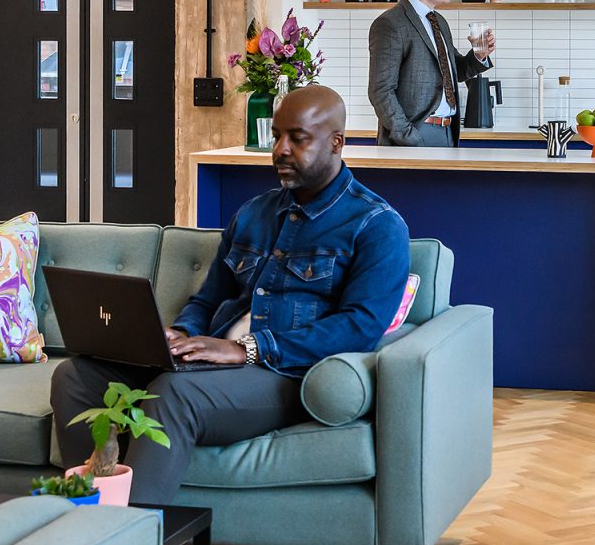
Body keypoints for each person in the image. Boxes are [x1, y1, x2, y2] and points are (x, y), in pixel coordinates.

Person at [49, 85, 410, 503]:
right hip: (212, 361)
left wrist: (251, 348)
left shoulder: (377, 226)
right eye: (276, 136)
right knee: (75, 376)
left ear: (336, 143)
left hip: (284, 376)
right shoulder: (254, 212)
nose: (280, 149)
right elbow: (208, 298)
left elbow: (360, 326)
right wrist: (179, 333)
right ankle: (81, 523)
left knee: (171, 395)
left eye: (297, 138)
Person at [368, 0, 495, 147]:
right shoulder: (390, 24)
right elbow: (380, 90)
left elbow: (454, 72)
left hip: (447, 133)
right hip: (414, 136)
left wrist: (479, 55)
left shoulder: (439, 21)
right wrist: (409, 137)